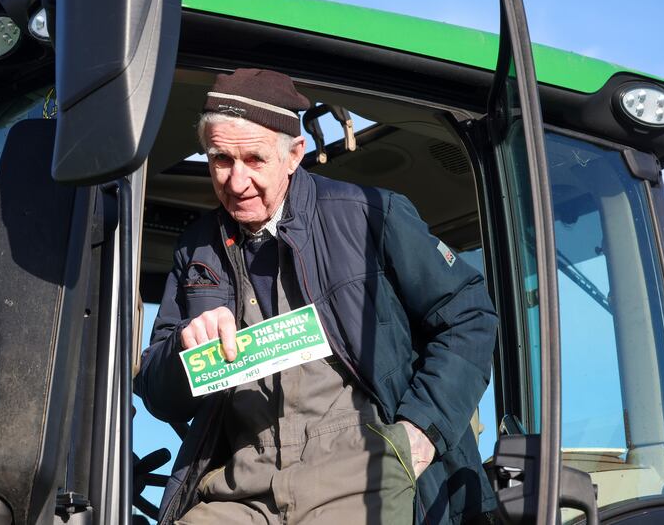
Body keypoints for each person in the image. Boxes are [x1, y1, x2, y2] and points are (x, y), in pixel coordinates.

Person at [135, 68, 498, 525]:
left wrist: (418, 434)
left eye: (254, 159)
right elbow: (155, 391)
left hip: (358, 472)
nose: (236, 180)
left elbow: (470, 316)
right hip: (242, 488)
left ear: (294, 155)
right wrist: (184, 353)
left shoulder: (370, 215)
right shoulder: (197, 247)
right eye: (221, 160)